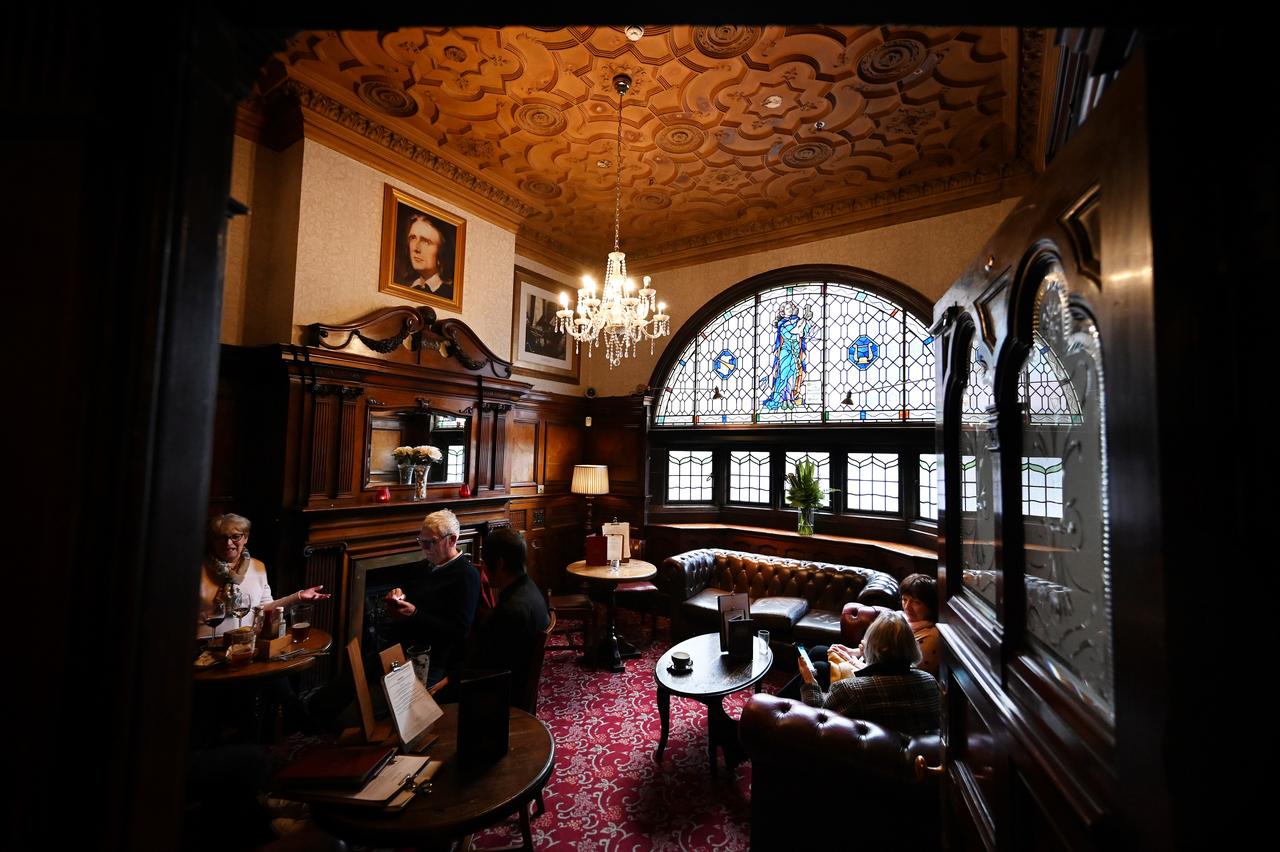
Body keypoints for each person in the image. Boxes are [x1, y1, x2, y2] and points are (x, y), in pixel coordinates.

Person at [798, 611, 941, 735]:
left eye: (867, 639)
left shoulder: (849, 690)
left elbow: (818, 720)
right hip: (910, 756)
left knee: (812, 672)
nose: (863, 642)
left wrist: (810, 683)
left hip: (861, 758)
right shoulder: (929, 681)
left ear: (879, 650)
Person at [384, 509, 481, 684]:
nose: (424, 548)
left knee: (400, 703)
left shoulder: (467, 576)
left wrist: (415, 615)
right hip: (404, 646)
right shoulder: (423, 567)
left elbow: (459, 632)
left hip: (436, 659)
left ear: (452, 540)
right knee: (346, 682)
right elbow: (406, 592)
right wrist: (398, 595)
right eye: (421, 541)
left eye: (431, 543)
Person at [198, 513, 329, 638]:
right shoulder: (196, 569)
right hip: (203, 646)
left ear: (246, 538)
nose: (228, 543)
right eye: (222, 537)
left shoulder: (257, 566)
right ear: (213, 540)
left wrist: (299, 597)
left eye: (235, 536)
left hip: (244, 643)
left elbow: (265, 611)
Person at [465, 527, 550, 708]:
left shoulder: (511, 610)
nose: (484, 569)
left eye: (485, 562)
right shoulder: (530, 589)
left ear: (500, 564)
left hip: (500, 696)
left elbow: (483, 664)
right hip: (513, 681)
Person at [399, 213, 453, 298]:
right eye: (413, 238)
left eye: (425, 241)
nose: (416, 249)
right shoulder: (410, 288)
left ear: (441, 250)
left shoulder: (448, 293)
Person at [899, 573, 941, 678]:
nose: (907, 607)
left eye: (916, 602)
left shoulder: (932, 637)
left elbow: (910, 677)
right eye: (904, 599)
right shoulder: (902, 619)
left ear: (930, 606)